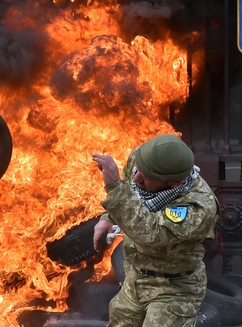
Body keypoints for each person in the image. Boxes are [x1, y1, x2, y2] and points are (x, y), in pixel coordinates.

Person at [91, 133, 219, 327]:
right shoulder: (142, 160)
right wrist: (108, 217)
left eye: (147, 177)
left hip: (173, 290)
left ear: (174, 183)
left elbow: (152, 234)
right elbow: (130, 186)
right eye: (138, 169)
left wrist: (115, 188)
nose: (137, 178)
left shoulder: (198, 205)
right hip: (134, 282)